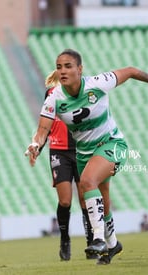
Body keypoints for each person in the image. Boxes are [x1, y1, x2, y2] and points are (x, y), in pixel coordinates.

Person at [25, 49, 148, 265]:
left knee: (87, 182)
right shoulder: (54, 98)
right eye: (59, 67)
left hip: (112, 144)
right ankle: (113, 245)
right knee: (102, 201)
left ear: (79, 69)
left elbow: (130, 71)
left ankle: (98, 239)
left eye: (68, 66)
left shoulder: (98, 83)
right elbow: (43, 129)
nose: (63, 71)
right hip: (85, 153)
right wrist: (35, 144)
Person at [31, 75, 95, 261]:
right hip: (59, 151)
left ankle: (91, 241)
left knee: (84, 200)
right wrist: (38, 148)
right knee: (65, 200)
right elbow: (46, 124)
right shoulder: (51, 94)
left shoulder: (85, 92)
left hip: (82, 149)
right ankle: (65, 239)